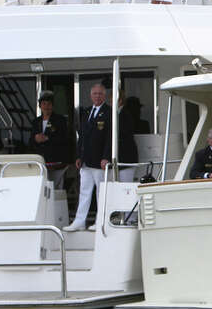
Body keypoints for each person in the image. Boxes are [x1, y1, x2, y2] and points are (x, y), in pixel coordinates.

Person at [65, 83, 112, 231]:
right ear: (91, 96)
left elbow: (110, 137)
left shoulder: (109, 112)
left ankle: (100, 221)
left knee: (100, 193)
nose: (97, 96)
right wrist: (79, 156)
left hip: (99, 161)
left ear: (104, 96)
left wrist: (106, 157)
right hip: (86, 160)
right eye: (95, 93)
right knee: (84, 192)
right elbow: (82, 136)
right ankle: (79, 221)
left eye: (100, 93)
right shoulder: (86, 112)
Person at [30, 90, 70, 188]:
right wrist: (35, 139)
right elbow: (30, 141)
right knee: (41, 187)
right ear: (40, 106)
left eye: (49, 104)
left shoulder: (60, 120)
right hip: (41, 161)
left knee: (56, 188)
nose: (46, 106)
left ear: (52, 106)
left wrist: (47, 138)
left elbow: (65, 138)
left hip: (56, 160)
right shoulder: (36, 121)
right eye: (44, 104)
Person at [117, 93, 138, 183]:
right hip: (119, 158)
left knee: (126, 185)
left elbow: (125, 132)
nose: (110, 103)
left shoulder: (127, 113)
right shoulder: (115, 113)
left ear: (120, 100)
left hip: (126, 156)